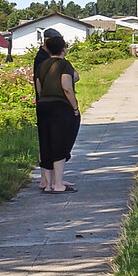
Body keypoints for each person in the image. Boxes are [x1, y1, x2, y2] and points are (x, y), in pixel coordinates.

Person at [32, 29, 80, 192]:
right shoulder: (64, 64)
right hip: (60, 107)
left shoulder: (41, 64)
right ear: (63, 49)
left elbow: (39, 88)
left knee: (45, 143)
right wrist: (74, 107)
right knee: (60, 142)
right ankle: (58, 184)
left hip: (43, 105)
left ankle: (47, 183)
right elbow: (67, 86)